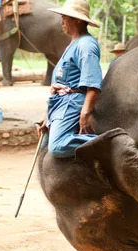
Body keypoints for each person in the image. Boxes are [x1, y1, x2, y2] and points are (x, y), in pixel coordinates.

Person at [37, 0, 102, 158]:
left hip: (73, 103)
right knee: (43, 146)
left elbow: (93, 83)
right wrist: (48, 114)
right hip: (60, 103)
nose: (62, 21)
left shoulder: (86, 45)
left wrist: (85, 112)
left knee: (58, 146)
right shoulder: (73, 44)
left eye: (65, 17)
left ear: (78, 19)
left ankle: (107, 144)